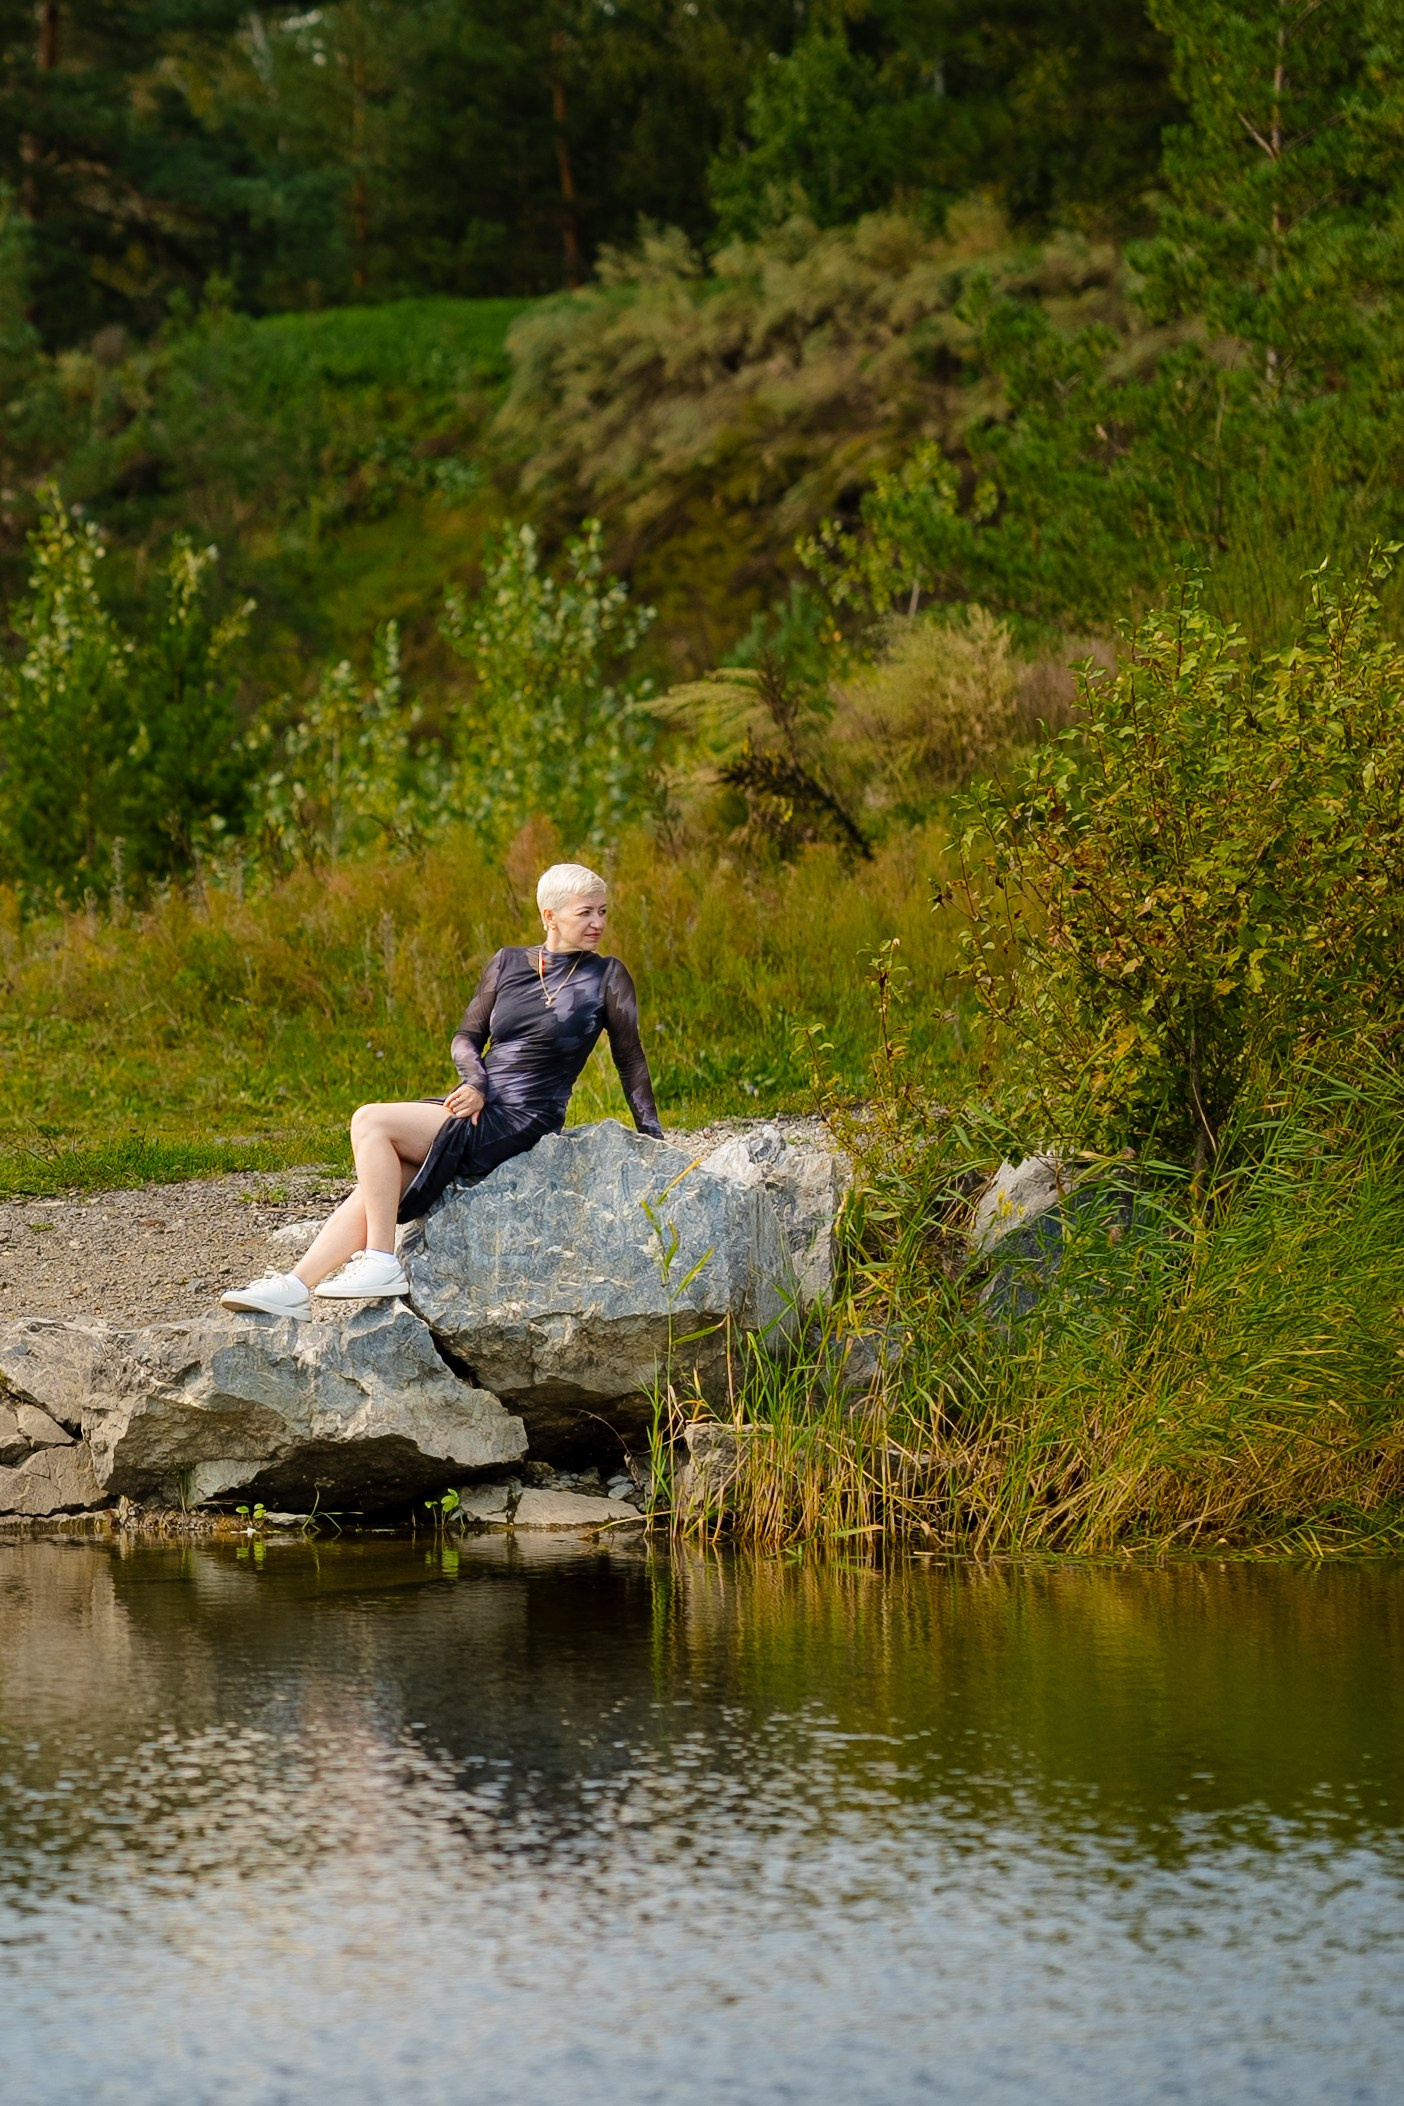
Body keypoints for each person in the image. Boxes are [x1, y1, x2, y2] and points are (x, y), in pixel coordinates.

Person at [221, 861, 665, 1319]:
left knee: (369, 1119)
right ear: (550, 916)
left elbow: (629, 1057)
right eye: (585, 913)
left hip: (524, 1115)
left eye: (603, 912)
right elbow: (466, 1038)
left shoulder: (607, 975)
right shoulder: (508, 962)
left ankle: (380, 1259)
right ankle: (296, 1287)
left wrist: (651, 1138)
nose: (598, 923)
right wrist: (475, 1081)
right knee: (386, 1178)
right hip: (481, 1101)